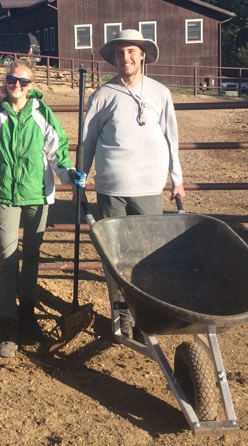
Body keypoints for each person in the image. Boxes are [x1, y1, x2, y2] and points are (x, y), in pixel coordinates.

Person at [0, 58, 76, 358]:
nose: (17, 86)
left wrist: (68, 174)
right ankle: (8, 322)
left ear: (31, 85)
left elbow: (57, 150)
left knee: (32, 256)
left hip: (37, 194)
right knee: (8, 258)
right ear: (6, 82)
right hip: (5, 195)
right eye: (12, 80)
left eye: (23, 82)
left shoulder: (42, 113)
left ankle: (28, 314)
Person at [78, 29, 185, 337]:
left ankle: (146, 314)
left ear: (141, 55)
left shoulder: (160, 93)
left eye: (130, 52)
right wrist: (81, 178)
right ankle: (122, 313)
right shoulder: (102, 96)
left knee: (146, 255)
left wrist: (176, 179)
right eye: (119, 53)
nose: (124, 58)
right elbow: (87, 140)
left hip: (148, 187)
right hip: (112, 188)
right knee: (115, 256)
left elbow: (171, 138)